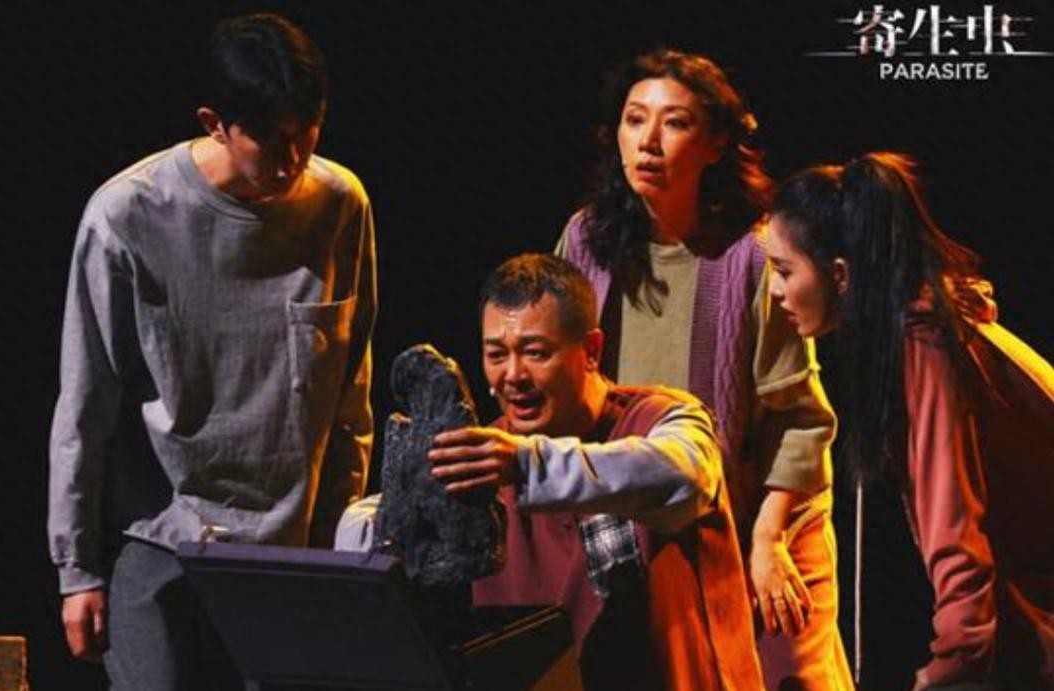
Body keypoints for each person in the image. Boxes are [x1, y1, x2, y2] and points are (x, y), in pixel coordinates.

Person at [48, 13, 376, 690]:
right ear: (214, 123)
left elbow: (350, 396)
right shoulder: (127, 216)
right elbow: (85, 402)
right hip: (162, 536)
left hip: (289, 553)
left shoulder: (340, 205)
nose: (290, 160)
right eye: (269, 139)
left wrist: (339, 550)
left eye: (306, 134)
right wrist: (76, 569)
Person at [555, 49, 851, 689]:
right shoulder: (586, 241)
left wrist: (767, 541)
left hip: (755, 516)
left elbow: (800, 422)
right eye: (635, 119)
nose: (649, 141)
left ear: (716, 143)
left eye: (676, 123)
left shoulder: (751, 255)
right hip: (629, 529)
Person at [766, 151, 1054, 690]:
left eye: (784, 271)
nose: (774, 291)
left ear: (840, 274)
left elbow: (955, 527)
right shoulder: (928, 326)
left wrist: (955, 660)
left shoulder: (926, 342)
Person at [429, 253, 763, 690]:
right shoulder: (486, 457)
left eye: (535, 353)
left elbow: (686, 477)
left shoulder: (664, 420)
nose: (513, 375)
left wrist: (529, 466)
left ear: (591, 351)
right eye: (496, 354)